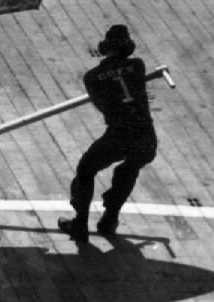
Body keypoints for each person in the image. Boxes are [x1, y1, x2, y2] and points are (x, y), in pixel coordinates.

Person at [59, 23, 157, 241]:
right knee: (129, 169)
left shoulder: (93, 76)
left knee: (86, 170)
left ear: (104, 47)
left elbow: (103, 105)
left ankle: (80, 224)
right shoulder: (138, 66)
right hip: (145, 136)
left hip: (119, 134)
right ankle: (110, 220)